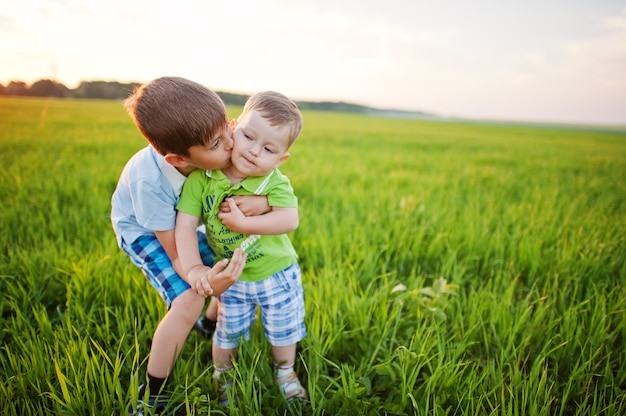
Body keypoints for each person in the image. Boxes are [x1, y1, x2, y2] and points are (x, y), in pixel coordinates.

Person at [111, 77, 269, 415]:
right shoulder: (149, 182)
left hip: (183, 225)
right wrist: (203, 280)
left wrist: (260, 204)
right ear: (179, 160)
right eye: (216, 144)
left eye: (229, 128)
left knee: (237, 257)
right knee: (188, 297)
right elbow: (178, 254)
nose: (231, 145)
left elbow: (259, 184)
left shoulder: (219, 148)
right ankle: (153, 392)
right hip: (146, 231)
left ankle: (209, 324)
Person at [175, 91, 308, 406]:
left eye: (268, 149)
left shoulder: (273, 183)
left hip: (277, 273)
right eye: (248, 136)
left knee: (282, 331)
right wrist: (194, 268)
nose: (253, 150)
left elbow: (290, 219)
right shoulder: (202, 179)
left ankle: (285, 373)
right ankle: (225, 377)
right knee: (228, 332)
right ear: (233, 127)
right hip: (232, 277)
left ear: (280, 159)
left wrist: (245, 225)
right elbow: (185, 224)